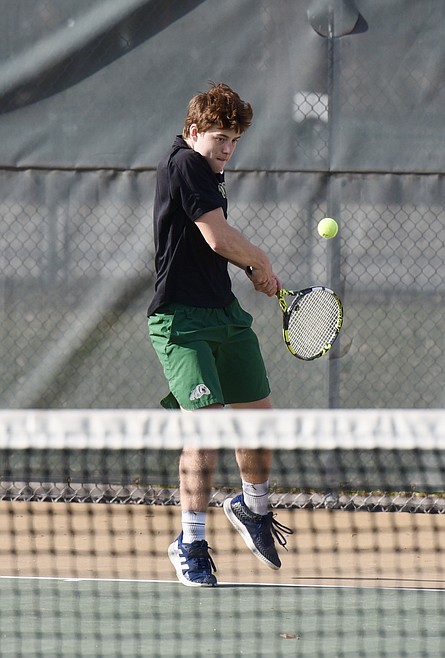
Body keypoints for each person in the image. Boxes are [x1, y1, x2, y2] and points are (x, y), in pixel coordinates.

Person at [147, 82, 292, 587]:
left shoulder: (209, 173)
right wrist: (261, 260)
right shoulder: (186, 163)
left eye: (233, 140)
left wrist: (249, 269)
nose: (227, 148)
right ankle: (190, 542)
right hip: (181, 321)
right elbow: (216, 235)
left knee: (259, 419)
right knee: (206, 430)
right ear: (193, 132)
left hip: (224, 314)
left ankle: (252, 507)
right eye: (219, 137)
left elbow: (212, 244)